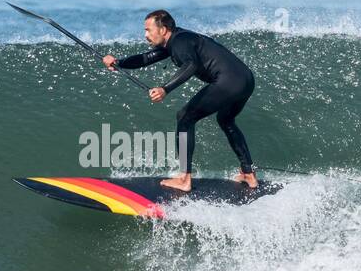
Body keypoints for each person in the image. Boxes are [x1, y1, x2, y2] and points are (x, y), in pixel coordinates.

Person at [103, 10, 257, 192]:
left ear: (163, 29)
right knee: (225, 120)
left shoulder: (180, 42)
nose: (145, 35)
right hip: (245, 80)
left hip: (228, 81)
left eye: (148, 30)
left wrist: (164, 89)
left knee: (185, 117)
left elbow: (191, 65)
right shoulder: (176, 41)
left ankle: (184, 178)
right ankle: (248, 173)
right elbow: (146, 58)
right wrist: (119, 62)